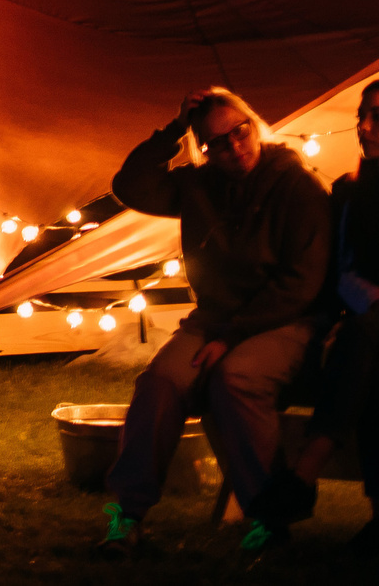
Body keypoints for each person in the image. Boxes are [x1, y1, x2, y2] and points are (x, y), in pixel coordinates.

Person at [96, 87, 332, 559]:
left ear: (254, 125)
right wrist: (173, 130)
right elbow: (131, 185)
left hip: (285, 318)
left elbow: (301, 283)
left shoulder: (297, 186)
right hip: (216, 319)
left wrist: (230, 337)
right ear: (203, 147)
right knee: (161, 382)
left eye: (239, 132)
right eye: (217, 143)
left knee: (236, 378)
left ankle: (269, 516)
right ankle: (128, 514)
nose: (234, 148)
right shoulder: (200, 186)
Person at [266, 77, 379, 555]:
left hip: (365, 329)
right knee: (369, 348)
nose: (366, 127)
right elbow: (336, 270)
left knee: (368, 337)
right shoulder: (348, 191)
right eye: (362, 116)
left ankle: (307, 467)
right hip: (358, 327)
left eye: (378, 117)